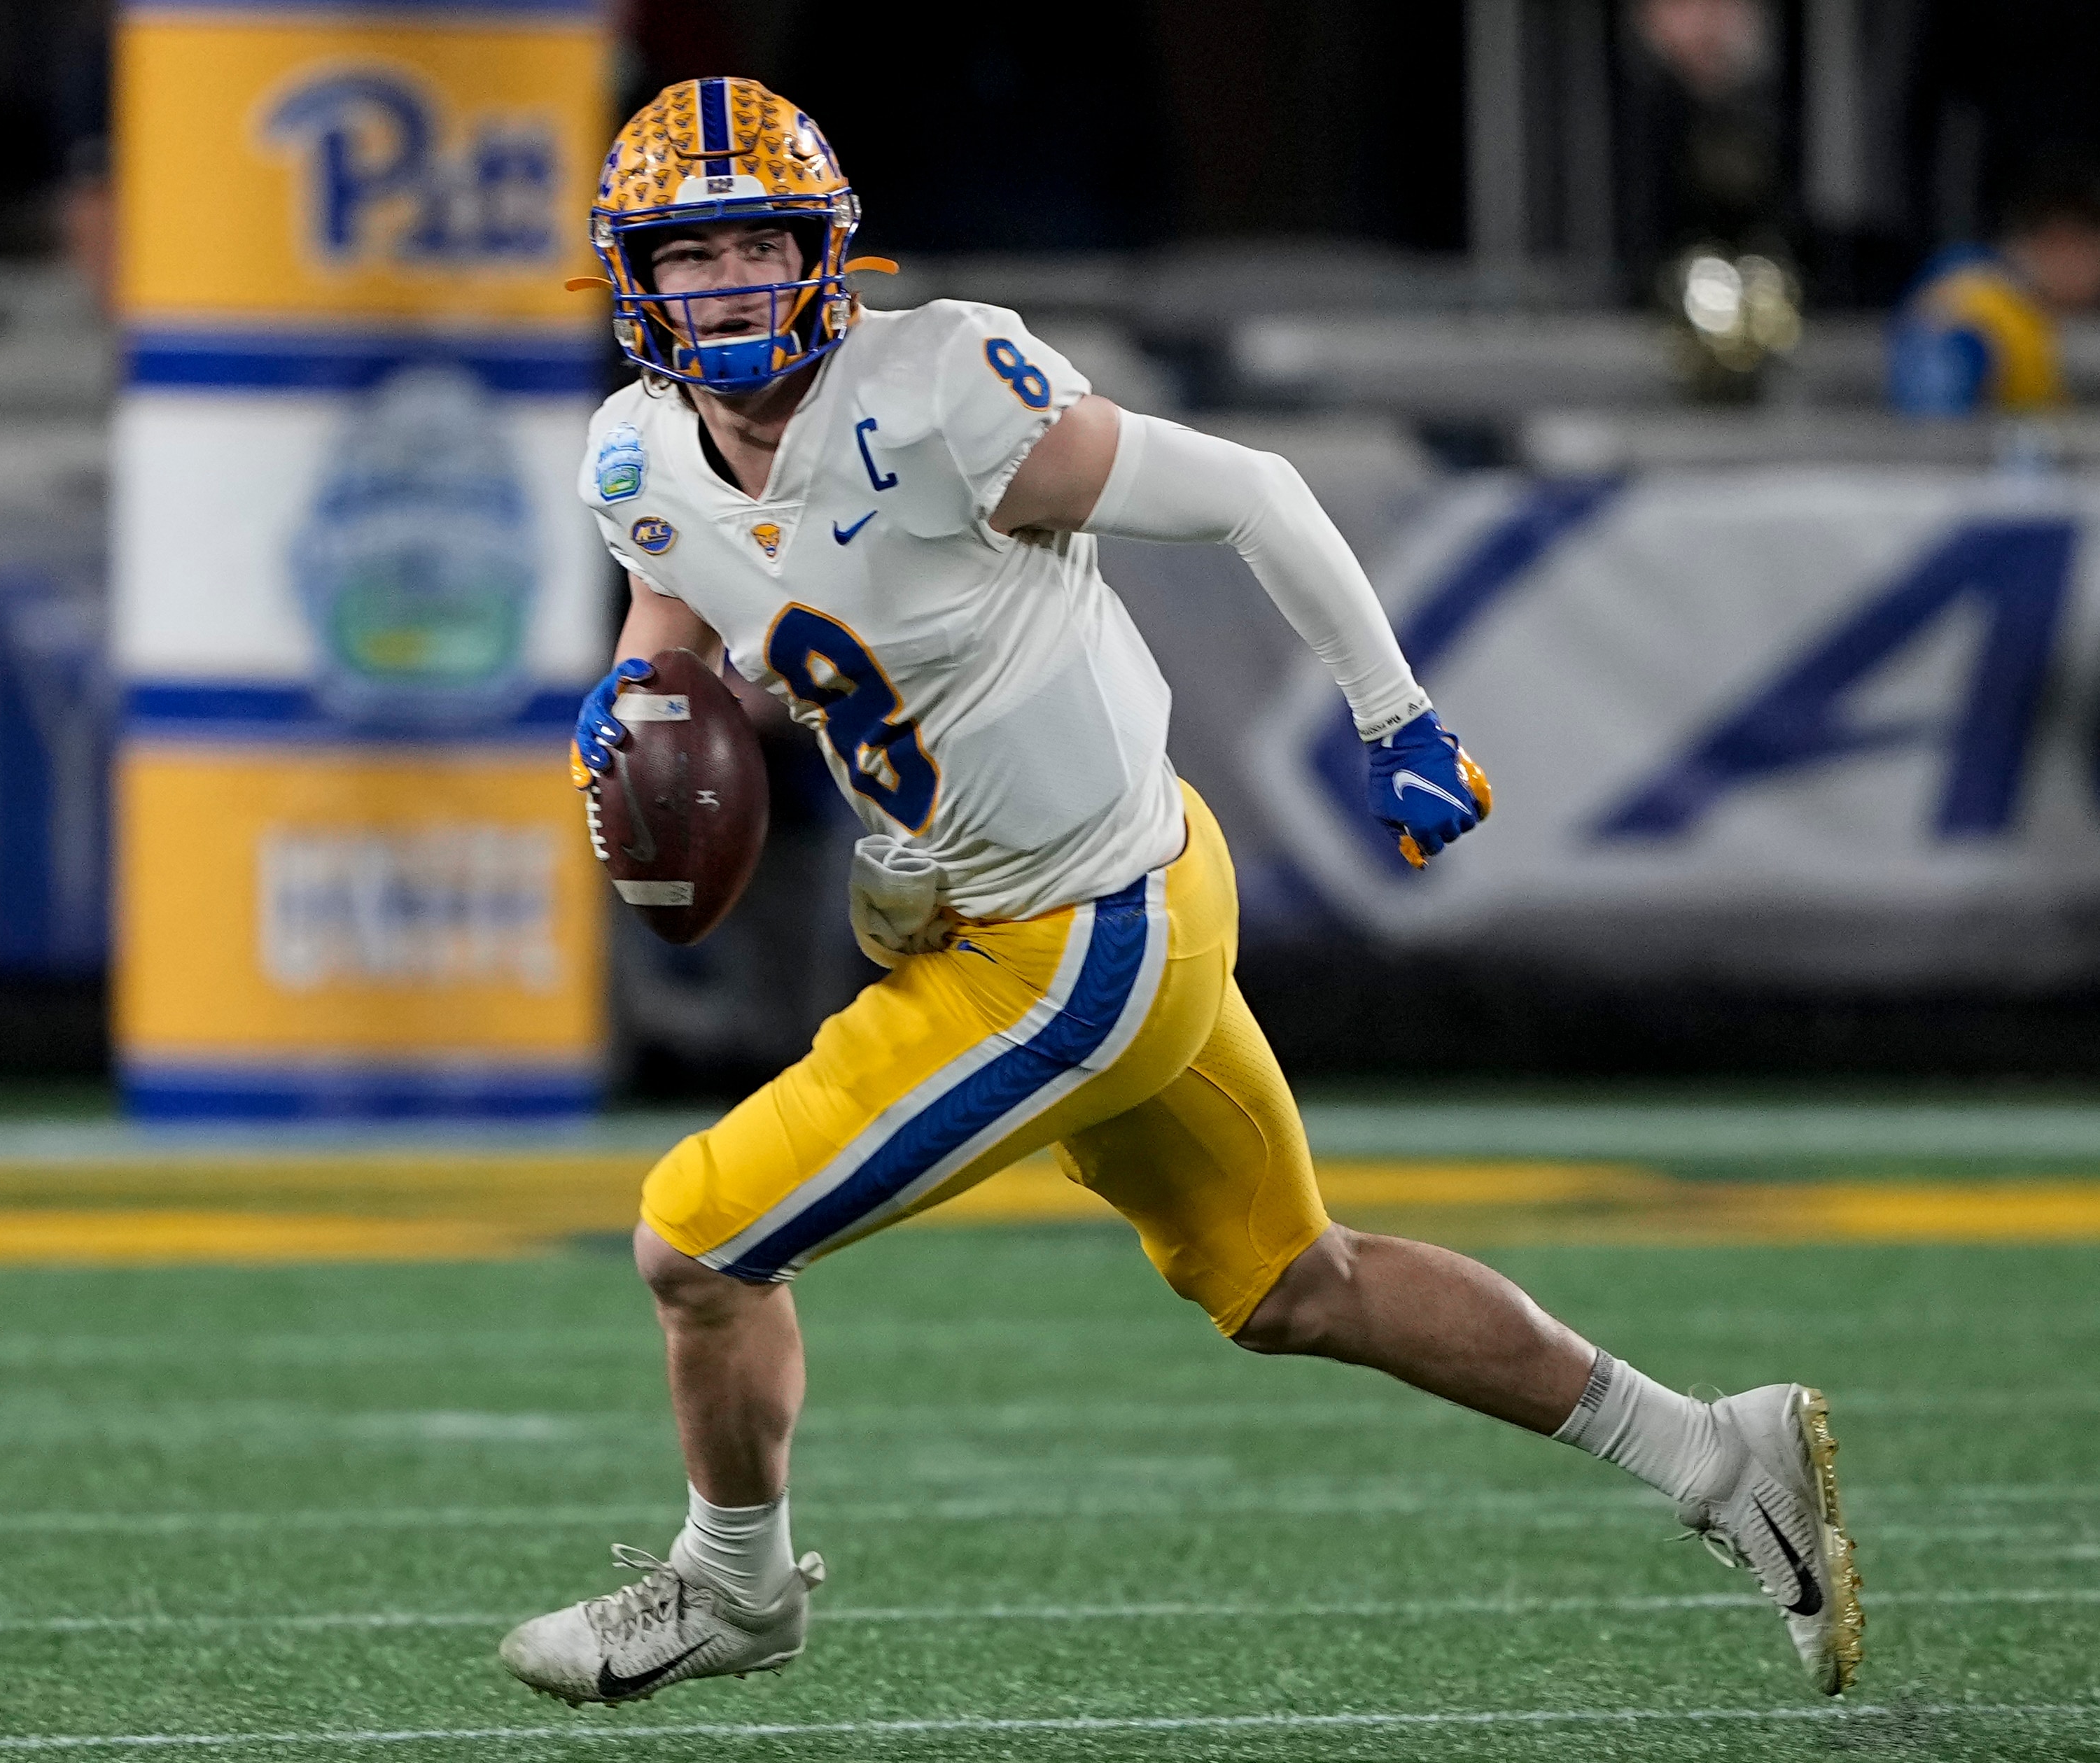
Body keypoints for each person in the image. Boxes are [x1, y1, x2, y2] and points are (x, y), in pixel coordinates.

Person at [501, 77, 1862, 1710]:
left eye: (755, 246)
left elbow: (1249, 492)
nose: (726, 285)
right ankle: (1711, 1448)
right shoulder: (632, 452)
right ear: (631, 276)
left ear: (822, 253)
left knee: (695, 1242)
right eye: (690, 254)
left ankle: (731, 1584)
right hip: (1029, 899)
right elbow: (671, 614)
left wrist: (1394, 716)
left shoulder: (937, 394)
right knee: (1294, 1282)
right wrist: (633, 712)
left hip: (1073, 937)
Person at [1889, 178, 2100, 416]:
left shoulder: (2034, 313)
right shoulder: (1978, 296)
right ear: (2058, 242)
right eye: (2084, 249)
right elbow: (1933, 408)